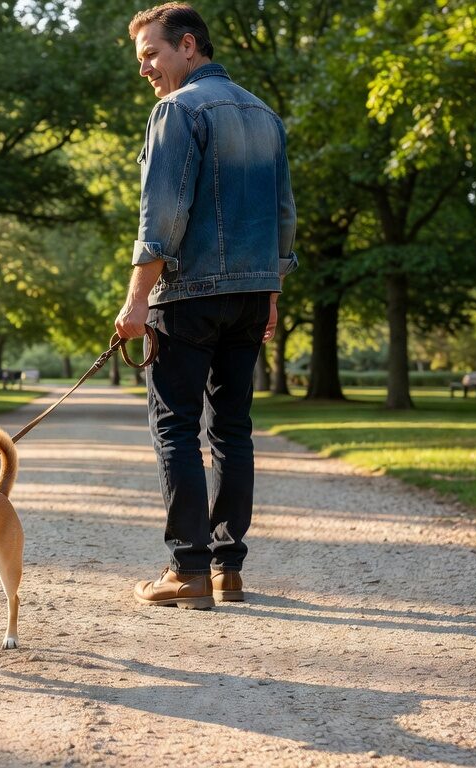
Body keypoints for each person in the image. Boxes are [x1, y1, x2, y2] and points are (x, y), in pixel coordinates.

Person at [114, 3, 297, 609]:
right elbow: (282, 215)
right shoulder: (264, 114)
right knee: (233, 432)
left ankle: (188, 570)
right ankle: (229, 569)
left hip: (188, 296)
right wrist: (271, 291)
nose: (145, 70)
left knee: (175, 427)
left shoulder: (177, 109)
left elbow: (161, 217)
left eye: (151, 55)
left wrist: (137, 301)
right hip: (249, 296)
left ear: (188, 46)